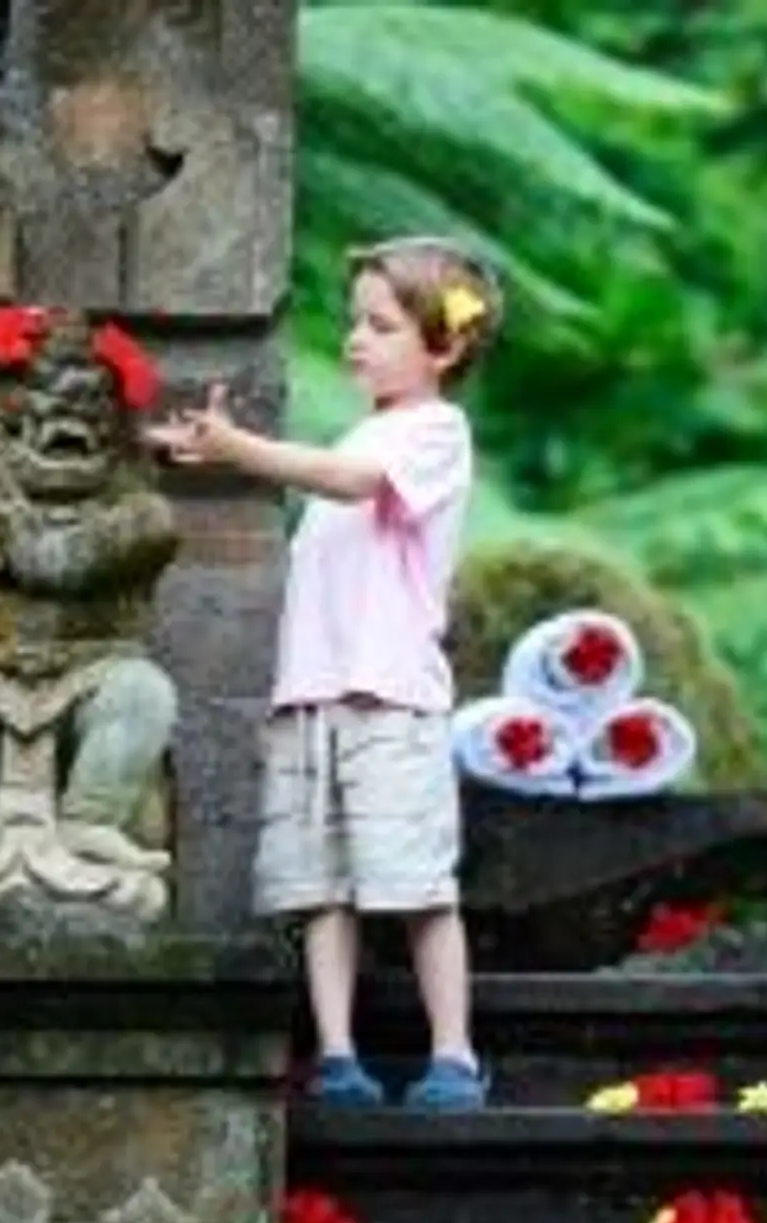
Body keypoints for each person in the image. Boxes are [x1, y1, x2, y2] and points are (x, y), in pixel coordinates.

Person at [145, 236, 500, 1111]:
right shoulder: (368, 429)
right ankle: (338, 1053)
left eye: (380, 326)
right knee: (319, 885)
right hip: (313, 696)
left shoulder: (433, 432)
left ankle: (452, 1053)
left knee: (415, 882)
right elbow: (333, 472)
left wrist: (241, 449)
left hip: (388, 695)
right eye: (356, 323)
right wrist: (220, 451)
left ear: (444, 347)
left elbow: (346, 482)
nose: (356, 340)